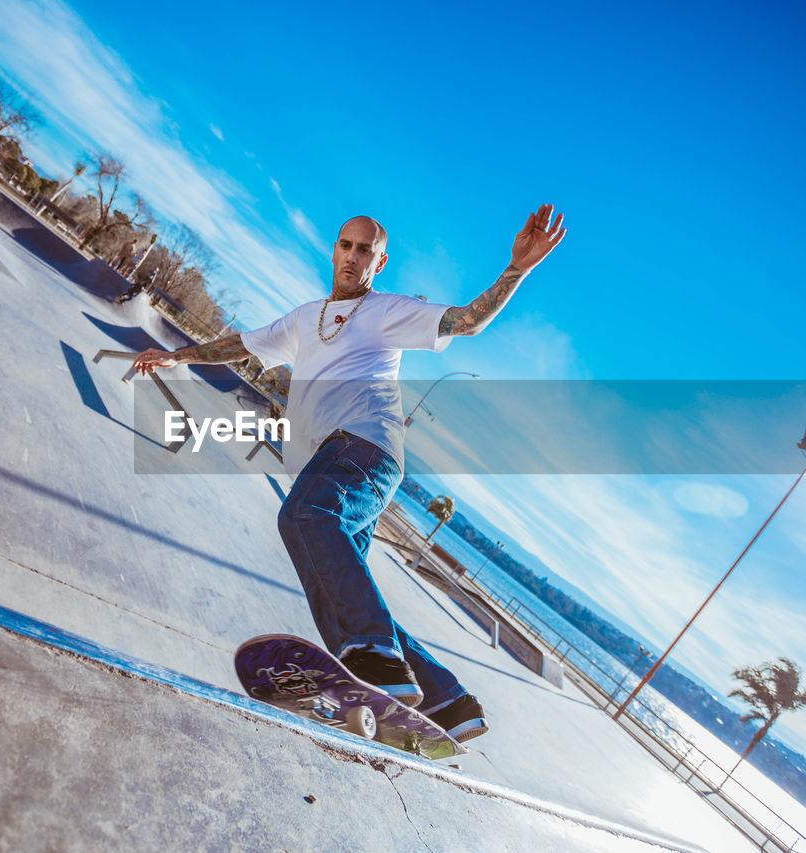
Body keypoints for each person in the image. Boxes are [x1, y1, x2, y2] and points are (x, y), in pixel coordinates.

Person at [132, 207, 566, 742]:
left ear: (379, 262)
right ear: (334, 250)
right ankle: (448, 702)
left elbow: (467, 320)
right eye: (346, 246)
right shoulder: (303, 319)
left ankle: (377, 659)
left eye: (365, 251)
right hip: (334, 462)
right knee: (336, 585)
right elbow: (240, 346)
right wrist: (179, 355)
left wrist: (516, 269)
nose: (353, 257)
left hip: (364, 448)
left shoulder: (387, 311)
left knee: (305, 516)